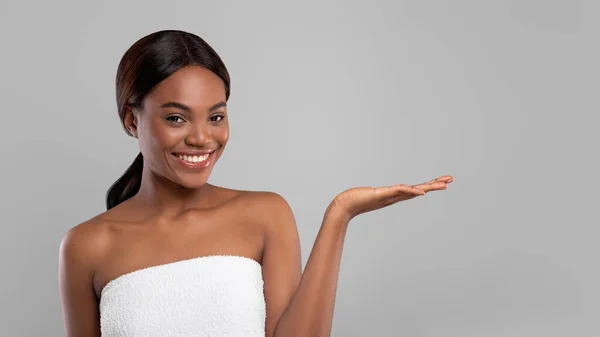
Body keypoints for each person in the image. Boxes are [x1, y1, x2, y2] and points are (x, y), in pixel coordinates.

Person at [58, 29, 453, 337]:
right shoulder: (87, 245)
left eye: (215, 117)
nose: (201, 138)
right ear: (132, 120)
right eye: (176, 118)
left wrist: (339, 216)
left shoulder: (264, 214)